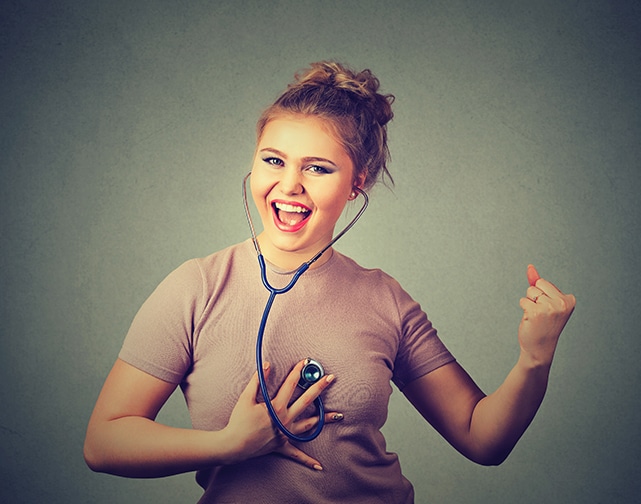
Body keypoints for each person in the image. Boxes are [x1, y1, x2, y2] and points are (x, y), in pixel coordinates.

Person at [84, 61, 576, 503]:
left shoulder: (386, 299)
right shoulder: (197, 287)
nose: (290, 184)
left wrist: (535, 358)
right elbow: (104, 443)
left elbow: (481, 438)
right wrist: (227, 445)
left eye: (317, 168)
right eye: (273, 160)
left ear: (357, 181)